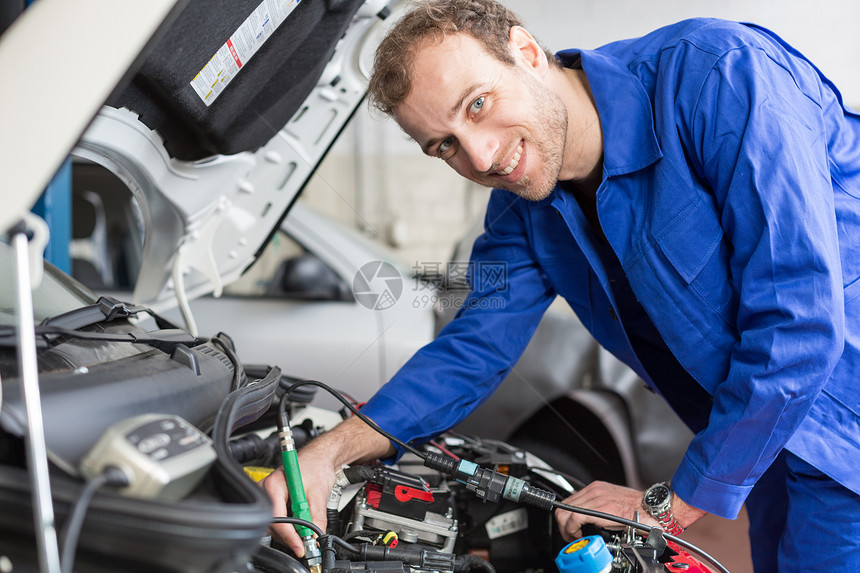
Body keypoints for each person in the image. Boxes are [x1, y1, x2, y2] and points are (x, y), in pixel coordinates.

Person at [264, 1, 860, 570]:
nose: (482, 156)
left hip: (843, 427)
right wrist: (330, 452)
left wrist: (667, 506)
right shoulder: (522, 210)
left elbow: (799, 321)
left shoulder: (719, 76)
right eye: (444, 145)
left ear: (525, 51)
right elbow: (475, 346)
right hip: (768, 445)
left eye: (476, 105)